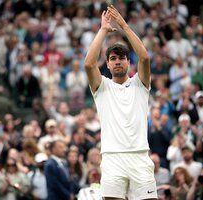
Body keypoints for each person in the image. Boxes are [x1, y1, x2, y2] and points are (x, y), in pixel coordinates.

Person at [84, 5, 157, 200]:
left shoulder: (140, 84)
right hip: (112, 158)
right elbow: (89, 63)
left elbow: (144, 56)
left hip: (140, 157)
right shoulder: (102, 87)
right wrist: (103, 30)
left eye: (122, 58)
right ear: (107, 64)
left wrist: (123, 25)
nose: (118, 61)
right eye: (113, 58)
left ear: (128, 62)